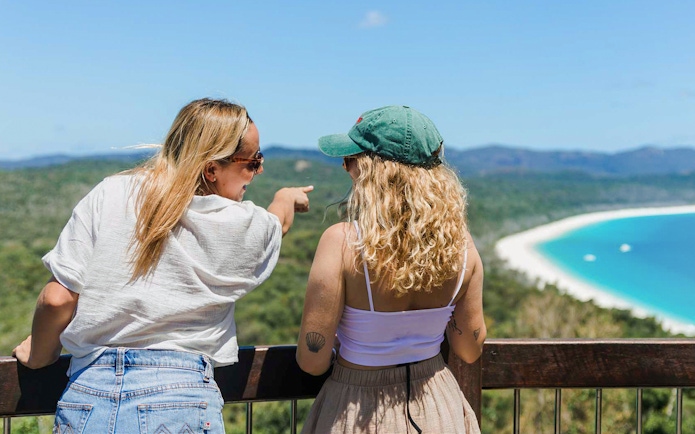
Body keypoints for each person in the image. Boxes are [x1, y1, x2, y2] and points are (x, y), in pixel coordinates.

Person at [13, 98, 313, 434]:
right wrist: (286, 197)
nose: (259, 170)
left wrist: (40, 355)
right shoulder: (237, 222)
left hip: (88, 395)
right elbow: (277, 224)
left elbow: (57, 299)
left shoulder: (110, 193)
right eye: (253, 162)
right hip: (182, 398)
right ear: (212, 169)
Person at [297, 105, 485, 433]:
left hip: (358, 409)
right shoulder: (462, 247)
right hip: (438, 406)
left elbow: (312, 360)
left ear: (374, 171)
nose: (346, 168)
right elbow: (469, 350)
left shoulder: (341, 243)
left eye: (350, 160)